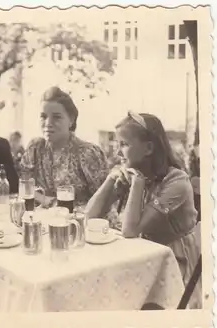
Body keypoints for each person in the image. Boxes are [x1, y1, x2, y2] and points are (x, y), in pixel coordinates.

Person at [85, 111, 201, 309]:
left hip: (176, 261)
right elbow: (89, 216)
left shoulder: (177, 182)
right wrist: (110, 179)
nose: (118, 152)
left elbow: (130, 231)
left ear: (148, 148)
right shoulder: (133, 173)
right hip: (144, 254)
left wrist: (137, 183)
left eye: (124, 144)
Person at [20, 86, 109, 208]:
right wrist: (47, 201)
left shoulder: (87, 153)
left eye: (56, 117)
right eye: (43, 116)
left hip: (81, 222)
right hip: (44, 220)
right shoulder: (35, 148)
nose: (48, 123)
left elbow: (105, 201)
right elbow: (24, 187)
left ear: (71, 120)